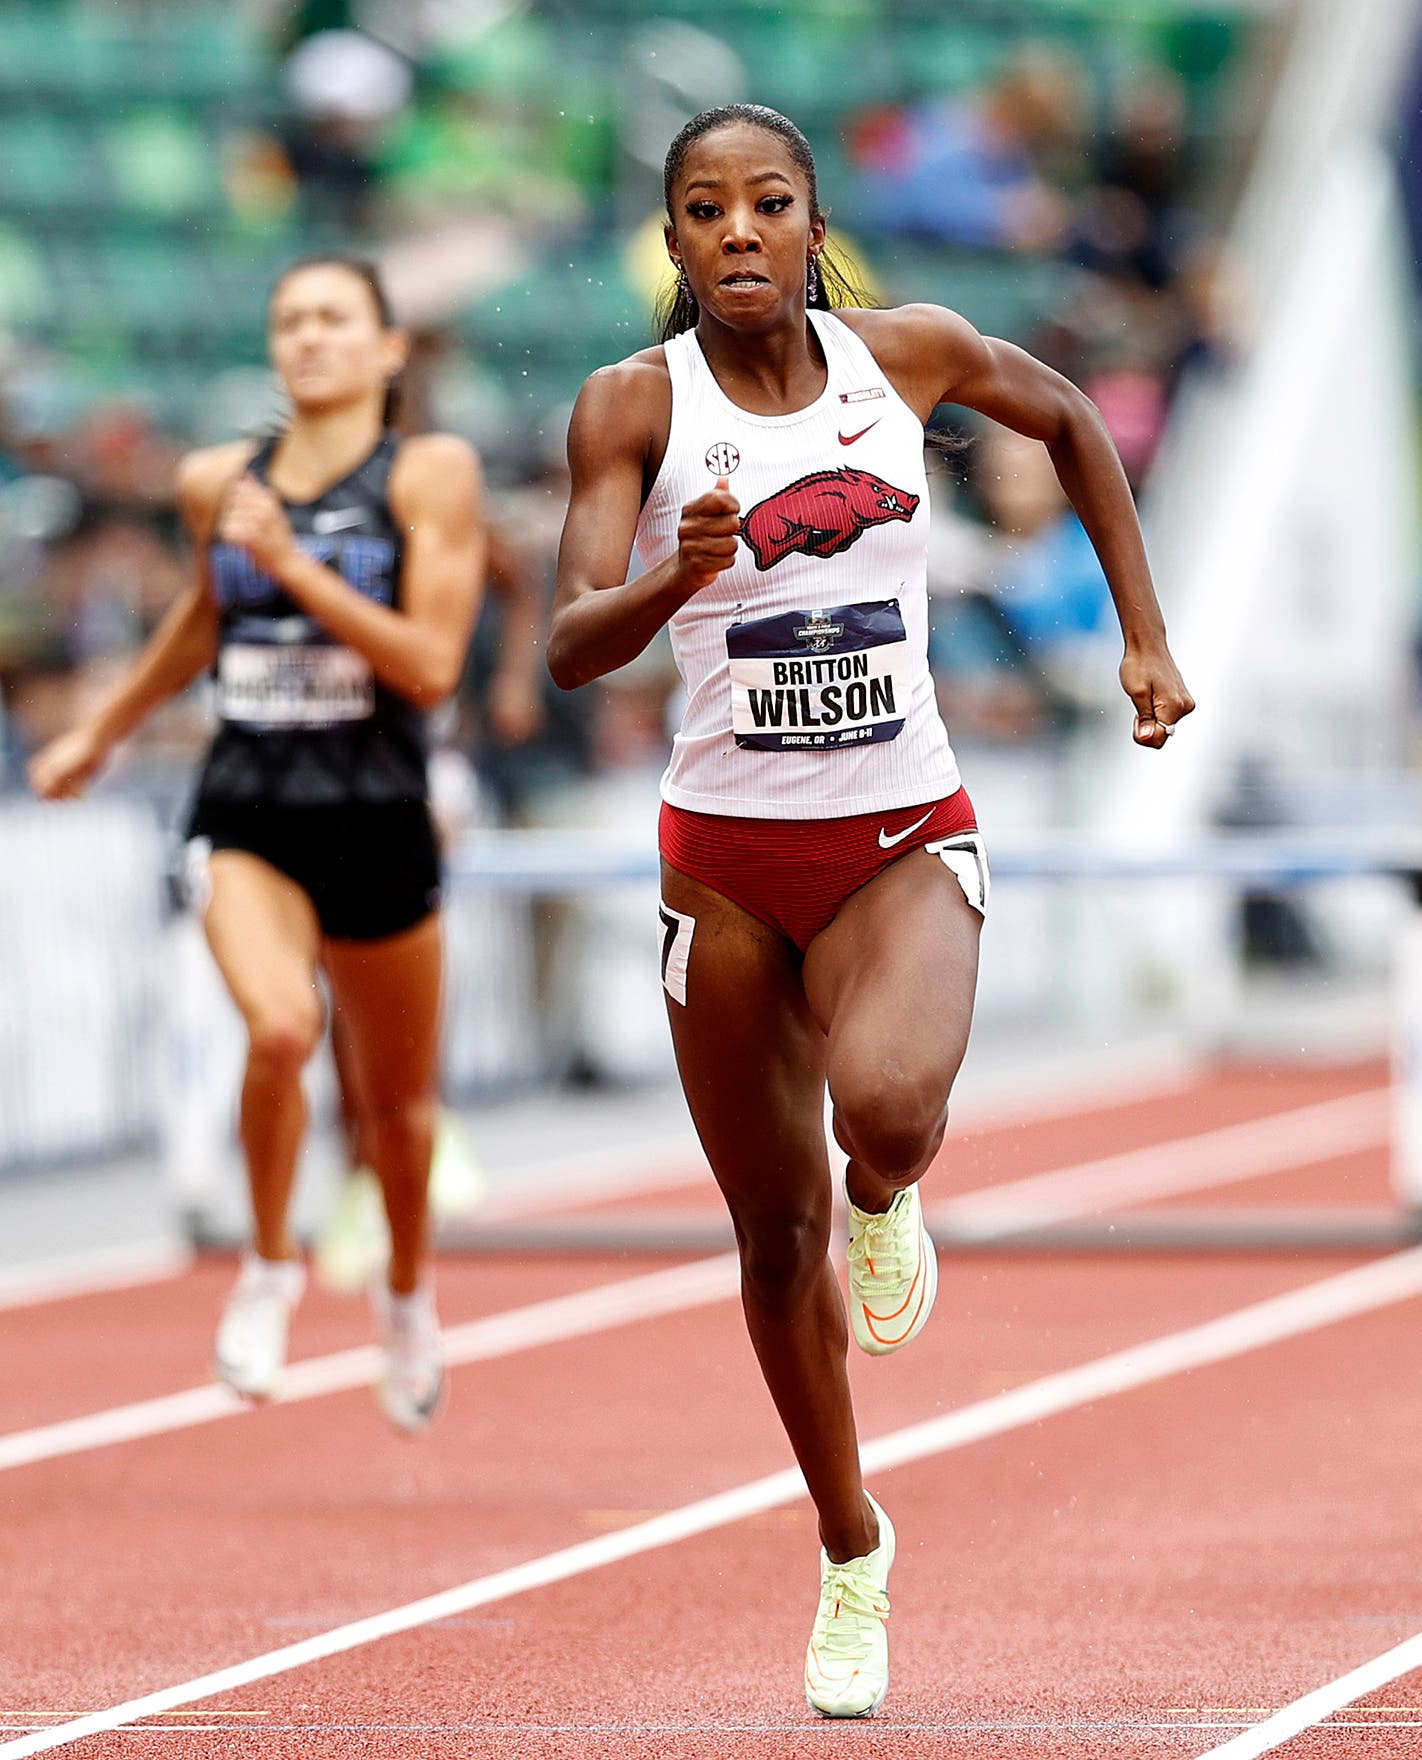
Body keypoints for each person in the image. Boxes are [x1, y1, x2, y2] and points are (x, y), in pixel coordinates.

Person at [546, 103, 1192, 1718]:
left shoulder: (906, 358)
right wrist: (669, 578)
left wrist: (1145, 638)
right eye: (706, 211)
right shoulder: (633, 406)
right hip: (724, 867)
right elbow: (569, 643)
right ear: (678, 245)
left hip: (901, 829)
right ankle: (850, 1545)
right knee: (772, 1242)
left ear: (814, 222)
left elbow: (1072, 430)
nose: (741, 232)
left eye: (769, 203)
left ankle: (892, 1192)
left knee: (886, 1112)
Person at [28, 256, 487, 1433]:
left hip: (378, 808)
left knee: (397, 1110)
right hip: (251, 803)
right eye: (289, 320)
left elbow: (430, 665)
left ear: (389, 350)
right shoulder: (215, 481)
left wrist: (292, 564)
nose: (308, 338)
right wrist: (102, 729)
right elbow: (202, 614)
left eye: (334, 318)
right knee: (282, 1028)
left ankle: (405, 1296)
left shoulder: (431, 475)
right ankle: (270, 1265)